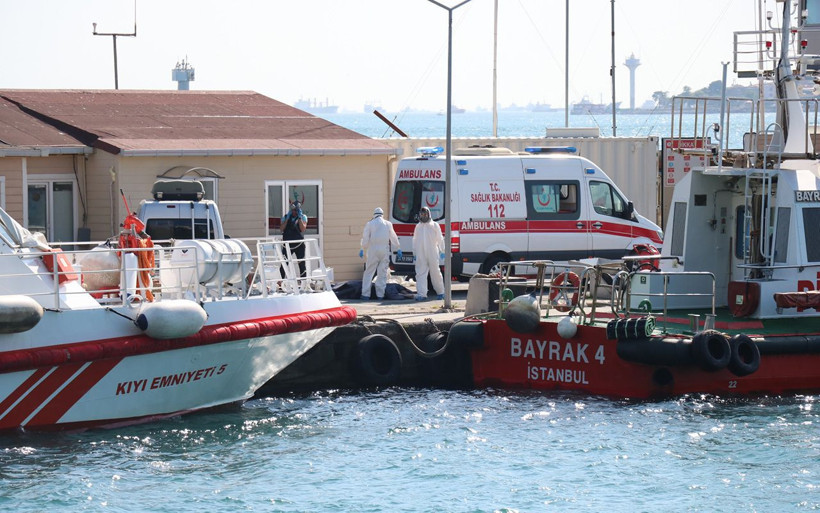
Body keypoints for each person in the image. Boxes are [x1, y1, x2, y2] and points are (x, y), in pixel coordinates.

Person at [360, 207, 401, 300]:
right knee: (382, 274)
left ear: (374, 214)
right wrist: (398, 247)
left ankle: (365, 295)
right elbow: (393, 237)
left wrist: (362, 248)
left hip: (372, 251)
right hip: (384, 251)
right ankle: (380, 295)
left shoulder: (370, 224)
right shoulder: (388, 224)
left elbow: (365, 238)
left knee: (369, 272)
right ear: (382, 214)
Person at [412, 206, 445, 301]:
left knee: (435, 272)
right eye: (422, 214)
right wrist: (414, 253)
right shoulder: (418, 226)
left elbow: (440, 238)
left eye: (425, 214)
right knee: (420, 273)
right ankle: (422, 294)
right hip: (421, 253)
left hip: (432, 252)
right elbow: (414, 240)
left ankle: (441, 292)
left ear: (429, 214)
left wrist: (442, 250)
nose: (423, 216)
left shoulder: (434, 225)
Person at [280, 201, 308, 277]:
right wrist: (287, 219)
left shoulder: (303, 217)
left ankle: (303, 281)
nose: (294, 212)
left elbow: (302, 229)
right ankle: (281, 280)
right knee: (284, 263)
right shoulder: (286, 217)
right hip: (287, 244)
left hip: (299, 244)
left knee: (301, 264)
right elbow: (281, 229)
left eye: (296, 210)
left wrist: (299, 218)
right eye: (293, 210)